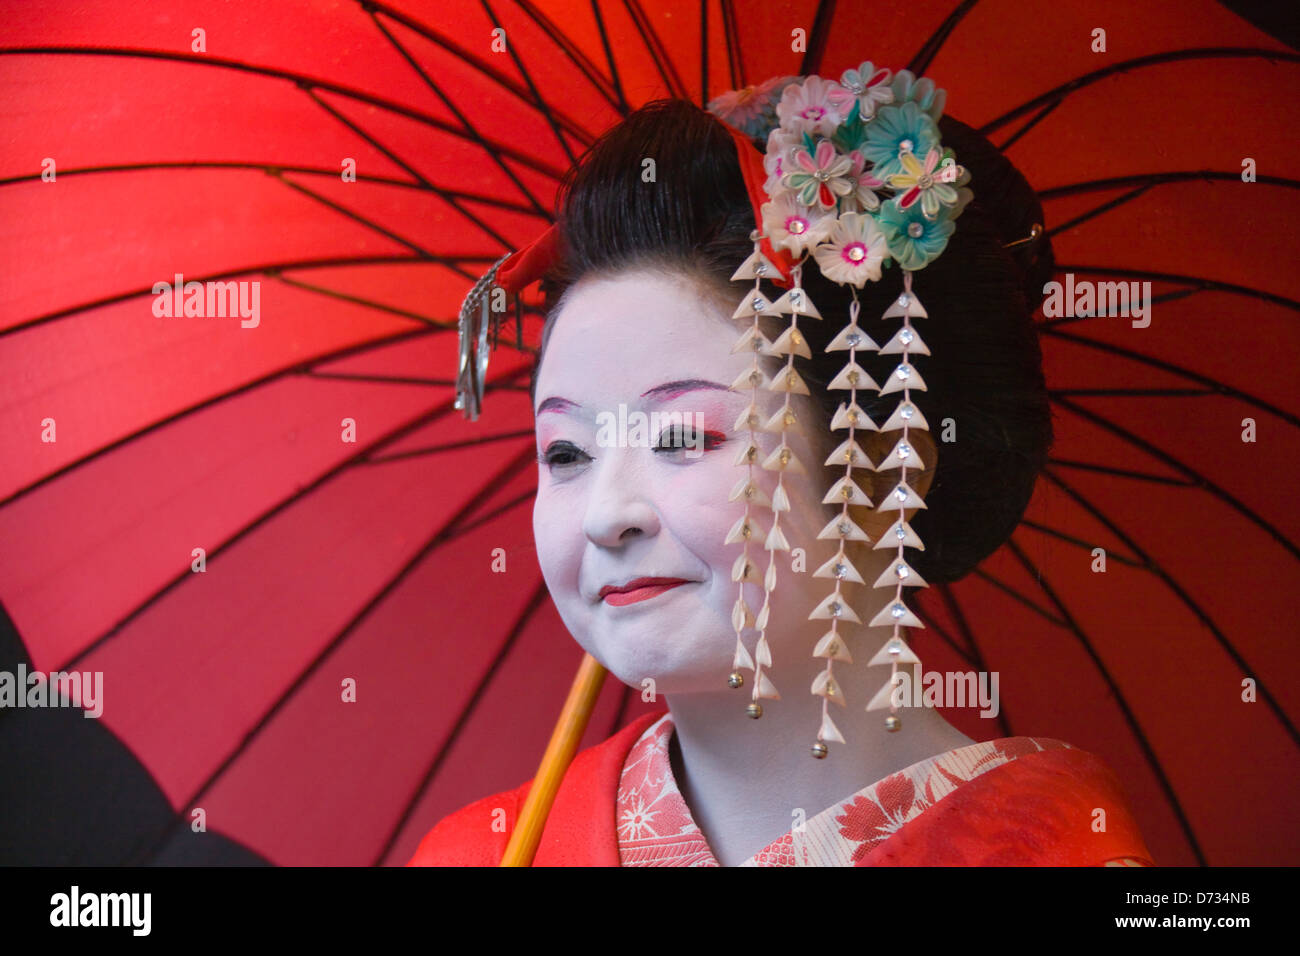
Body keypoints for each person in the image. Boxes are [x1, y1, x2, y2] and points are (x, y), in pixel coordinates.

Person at [410, 70, 1154, 866]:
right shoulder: (479, 852)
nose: (604, 513)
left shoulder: (1057, 851)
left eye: (684, 437)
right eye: (566, 453)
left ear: (880, 472)